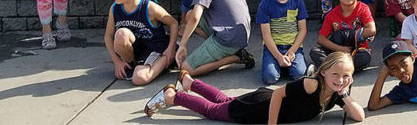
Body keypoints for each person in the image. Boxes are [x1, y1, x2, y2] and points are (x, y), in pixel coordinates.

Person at [145, 51, 364, 123]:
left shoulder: (337, 92)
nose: (341, 80)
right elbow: (279, 93)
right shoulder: (312, 84)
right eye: (336, 75)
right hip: (259, 107)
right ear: (323, 72)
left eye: (347, 76)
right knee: (215, 111)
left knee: (224, 101)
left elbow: (359, 116)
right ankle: (173, 96)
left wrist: (343, 92)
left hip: (260, 101)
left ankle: (190, 83)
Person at [175, 0, 255, 76]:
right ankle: (217, 51)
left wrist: (183, 45)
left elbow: (196, 17)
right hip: (240, 36)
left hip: (227, 40)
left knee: (186, 69)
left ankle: (235, 57)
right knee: (189, 14)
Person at [103, 0, 177, 85]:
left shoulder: (150, 7)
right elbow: (108, 36)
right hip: (135, 49)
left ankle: (165, 59)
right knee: (121, 34)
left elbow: (173, 23)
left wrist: (171, 49)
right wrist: (116, 61)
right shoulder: (115, 8)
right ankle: (132, 64)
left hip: (154, 47)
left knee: (139, 79)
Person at [310, 0, 376, 73]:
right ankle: (339, 69)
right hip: (337, 49)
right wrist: (340, 49)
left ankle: (328, 69)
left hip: (357, 49)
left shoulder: (363, 8)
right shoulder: (331, 14)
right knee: (315, 52)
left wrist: (352, 35)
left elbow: (372, 30)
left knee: (364, 58)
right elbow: (321, 39)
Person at [256, 0, 309, 85]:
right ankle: (280, 63)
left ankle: (285, 65)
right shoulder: (265, 4)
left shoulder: (298, 1)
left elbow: (303, 30)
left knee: (299, 75)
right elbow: (266, 35)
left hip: (293, 47)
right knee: (270, 78)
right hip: (273, 48)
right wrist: (279, 56)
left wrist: (292, 51)